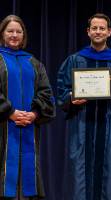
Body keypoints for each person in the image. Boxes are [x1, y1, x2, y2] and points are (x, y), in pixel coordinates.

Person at [57, 13, 111, 200]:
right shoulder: (74, 60)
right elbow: (61, 90)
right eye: (94, 28)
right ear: (88, 32)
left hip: (109, 123)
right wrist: (71, 98)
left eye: (102, 28)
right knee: (80, 175)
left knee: (109, 175)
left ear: (109, 32)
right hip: (82, 123)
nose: (98, 31)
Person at [0, 15, 55, 200]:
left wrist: (34, 114)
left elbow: (46, 93)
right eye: (10, 31)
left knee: (27, 180)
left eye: (18, 31)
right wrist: (10, 112)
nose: (14, 35)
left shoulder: (34, 62)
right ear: (2, 34)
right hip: (2, 131)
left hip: (29, 129)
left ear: (24, 35)